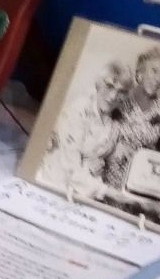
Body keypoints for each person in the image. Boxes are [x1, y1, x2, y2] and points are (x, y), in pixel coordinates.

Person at [38, 60, 130, 197]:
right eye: (109, 87)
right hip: (55, 183)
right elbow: (70, 169)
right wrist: (116, 195)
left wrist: (114, 153)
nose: (113, 96)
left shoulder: (115, 120)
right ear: (98, 84)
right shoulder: (79, 110)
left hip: (85, 189)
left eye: (121, 91)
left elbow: (100, 153)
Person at [101, 46, 160, 192]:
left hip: (138, 182)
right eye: (154, 70)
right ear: (141, 71)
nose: (158, 79)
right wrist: (114, 149)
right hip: (105, 174)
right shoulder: (120, 96)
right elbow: (97, 131)